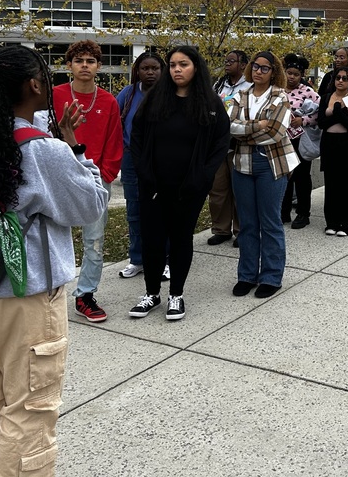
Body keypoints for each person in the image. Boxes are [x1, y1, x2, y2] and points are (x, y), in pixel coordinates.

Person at [0, 44, 108, 476]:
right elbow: (90, 206)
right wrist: (75, 147)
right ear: (35, 85)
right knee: (30, 410)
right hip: (25, 296)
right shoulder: (41, 150)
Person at [128, 47, 231, 320]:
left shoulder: (210, 103)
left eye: (183, 64)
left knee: (180, 238)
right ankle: (151, 294)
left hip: (189, 186)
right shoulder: (155, 100)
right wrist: (143, 171)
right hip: (153, 184)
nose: (176, 69)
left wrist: (204, 176)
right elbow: (136, 135)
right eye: (172, 64)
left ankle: (176, 295)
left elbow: (221, 142)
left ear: (195, 67)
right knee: (152, 239)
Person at [52, 40, 123, 323]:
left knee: (94, 240)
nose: (84, 65)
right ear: (68, 65)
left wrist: (104, 177)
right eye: (79, 60)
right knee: (53, 236)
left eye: (90, 61)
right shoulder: (54, 95)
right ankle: (50, 291)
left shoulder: (108, 101)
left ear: (98, 67)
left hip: (94, 180)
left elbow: (114, 142)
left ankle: (85, 294)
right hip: (58, 178)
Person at [229, 51, 298, 298]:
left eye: (265, 68)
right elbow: (230, 127)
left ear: (274, 72)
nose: (258, 71)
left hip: (271, 164)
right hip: (242, 165)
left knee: (269, 221)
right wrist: (257, 125)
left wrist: (244, 130)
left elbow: (277, 133)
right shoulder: (241, 95)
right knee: (247, 223)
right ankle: (247, 275)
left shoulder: (281, 97)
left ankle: (271, 276)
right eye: (255, 67)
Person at [115, 51, 163, 279]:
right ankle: (137, 259)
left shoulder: (171, 94)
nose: (150, 72)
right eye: (145, 68)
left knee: (162, 211)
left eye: (155, 68)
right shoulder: (128, 93)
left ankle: (164, 259)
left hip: (161, 160)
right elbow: (114, 123)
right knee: (134, 210)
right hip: (131, 159)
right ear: (137, 71)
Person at [207, 50, 251, 247]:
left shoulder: (250, 86)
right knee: (218, 190)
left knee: (239, 190)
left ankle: (241, 230)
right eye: (225, 61)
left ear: (243, 65)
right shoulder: (219, 84)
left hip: (239, 144)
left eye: (231, 61)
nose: (227, 64)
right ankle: (221, 230)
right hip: (218, 144)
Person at [318, 65, 348, 236]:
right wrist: (338, 113)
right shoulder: (326, 97)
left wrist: (336, 111)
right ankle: (332, 222)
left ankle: (347, 224)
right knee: (331, 185)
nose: (341, 81)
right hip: (329, 144)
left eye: (345, 78)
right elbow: (321, 122)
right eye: (338, 78)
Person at [281, 54, 320, 229]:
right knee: (283, 176)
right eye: (289, 73)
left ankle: (303, 213)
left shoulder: (308, 92)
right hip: (280, 138)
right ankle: (283, 211)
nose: (291, 77)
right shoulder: (277, 89)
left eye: (296, 74)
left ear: (301, 75)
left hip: (300, 139)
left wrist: (303, 120)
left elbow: (318, 114)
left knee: (302, 176)